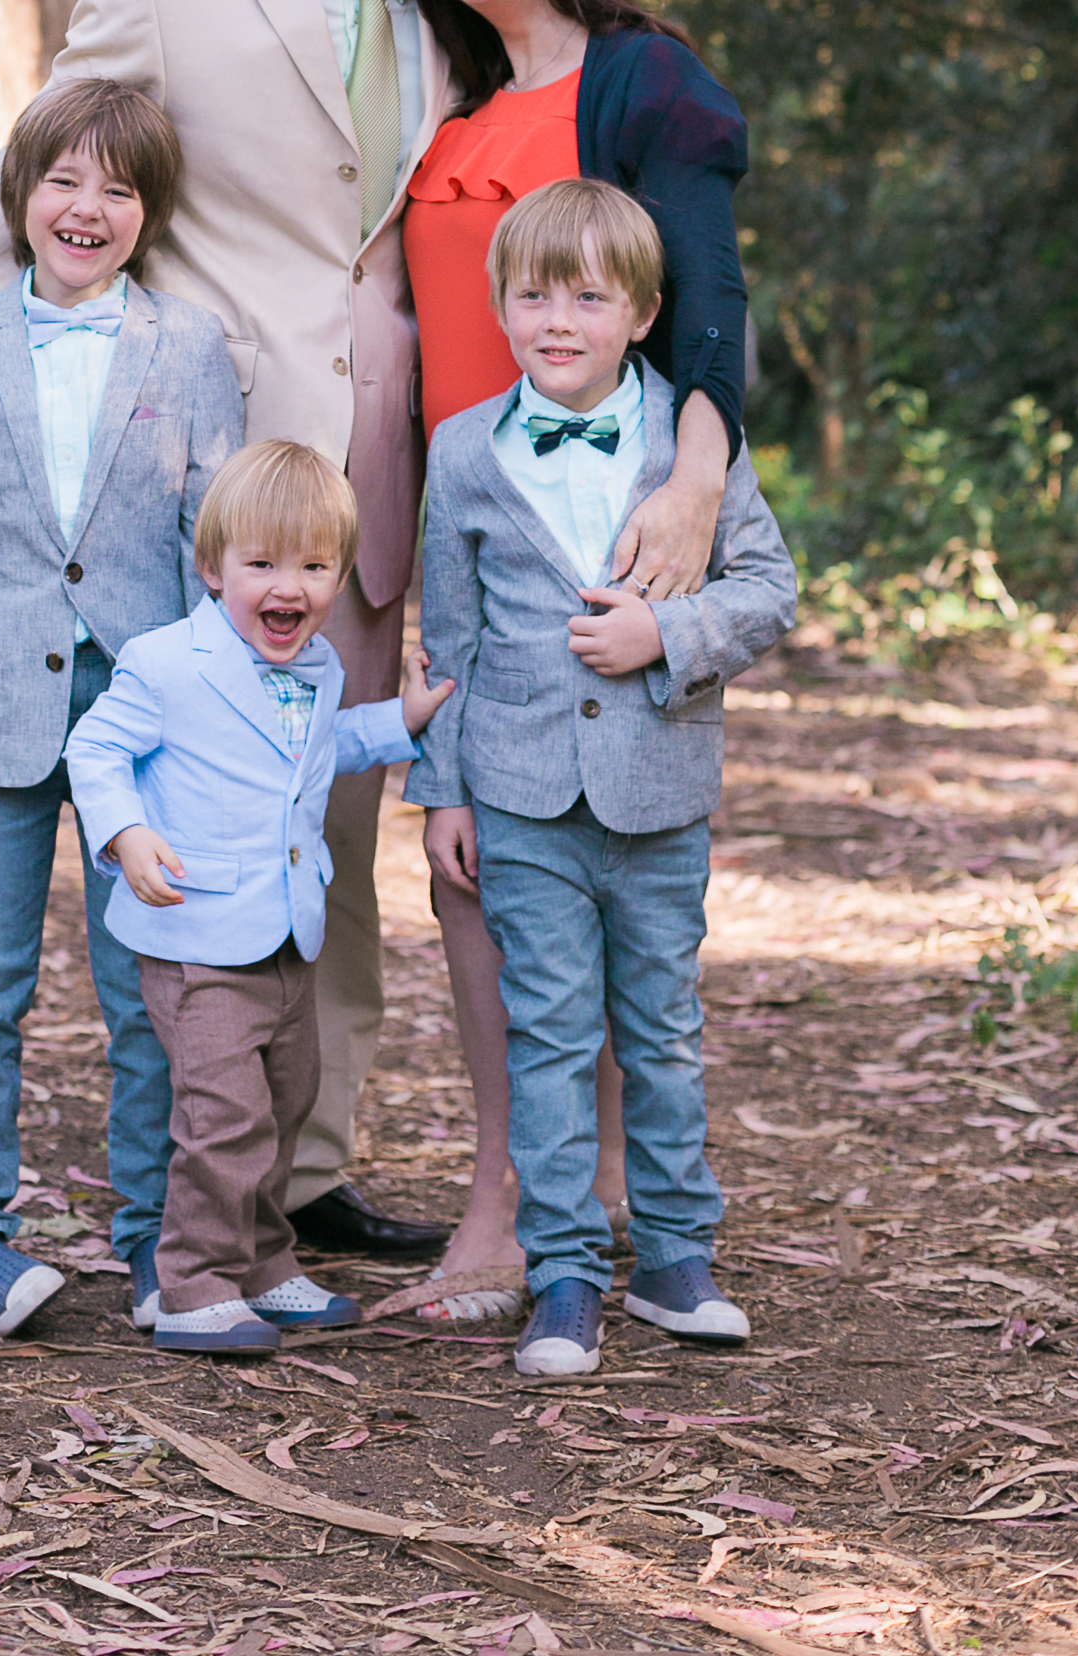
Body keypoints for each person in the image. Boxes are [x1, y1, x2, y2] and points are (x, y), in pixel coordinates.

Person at [0, 0, 460, 1260]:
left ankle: (309, 1161)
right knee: (192, 816)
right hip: (201, 486)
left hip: (373, 482)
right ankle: (195, 1184)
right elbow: (35, 187)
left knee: (324, 827)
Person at [399, 0, 754, 1316]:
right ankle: (539, 1182)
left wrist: (689, 494)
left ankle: (576, 1203)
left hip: (606, 511)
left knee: (607, 870)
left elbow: (712, 304)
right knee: (482, 870)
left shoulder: (639, 81)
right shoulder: (449, 106)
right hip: (473, 509)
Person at [411, 179, 796, 1377]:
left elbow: (766, 588)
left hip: (656, 793)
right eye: (534, 295)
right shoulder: (461, 451)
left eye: (589, 296)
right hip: (519, 795)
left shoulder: (688, 440)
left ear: (639, 314)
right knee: (549, 1036)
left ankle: (677, 1257)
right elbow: (449, 638)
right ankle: (563, 1271)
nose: (558, 319)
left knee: (660, 1033)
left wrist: (664, 639)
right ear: (501, 309)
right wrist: (443, 793)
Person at [0, 78, 244, 1337]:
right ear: (19, 196)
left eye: (118, 188)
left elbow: (222, 542)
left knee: (143, 983)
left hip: (140, 717)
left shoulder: (191, 348)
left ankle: (153, 1240)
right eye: (63, 181)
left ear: (147, 215)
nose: (86, 208)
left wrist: (211, 714)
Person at [67, 441, 454, 1353]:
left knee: (287, 1100)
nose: (291, 587)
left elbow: (322, 752)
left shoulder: (316, 670)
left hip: (285, 933)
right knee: (224, 1114)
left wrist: (400, 721)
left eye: (316, 567)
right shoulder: (167, 663)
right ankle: (192, 1283)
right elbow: (94, 750)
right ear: (213, 568)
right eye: (264, 564)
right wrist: (126, 835)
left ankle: (265, 1262)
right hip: (196, 936)